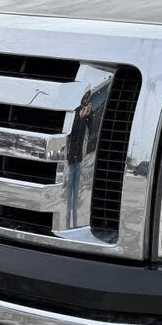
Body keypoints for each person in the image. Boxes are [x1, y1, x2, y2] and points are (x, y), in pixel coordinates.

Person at [66, 90, 92, 226]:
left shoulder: (87, 113)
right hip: (71, 156)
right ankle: (67, 217)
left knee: (76, 188)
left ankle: (75, 217)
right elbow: (71, 130)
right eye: (85, 97)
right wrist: (80, 116)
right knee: (69, 186)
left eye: (88, 97)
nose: (86, 99)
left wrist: (88, 115)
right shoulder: (76, 111)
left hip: (80, 157)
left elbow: (91, 128)